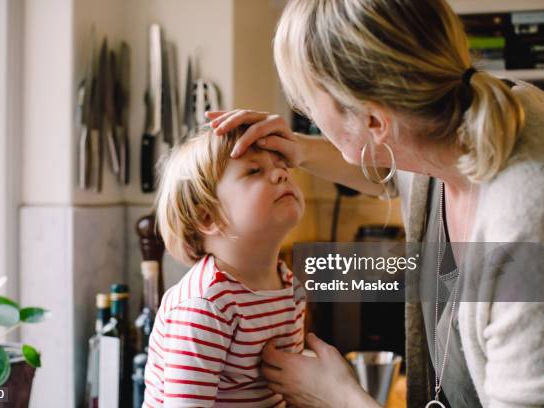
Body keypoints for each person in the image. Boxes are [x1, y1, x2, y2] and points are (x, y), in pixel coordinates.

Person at [206, 0, 544, 407]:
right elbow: (392, 169)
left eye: (310, 105)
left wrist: (339, 397)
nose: (308, 115)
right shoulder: (450, 121)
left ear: (375, 122)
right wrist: (300, 149)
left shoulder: (524, 230)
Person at [144, 126, 306, 407]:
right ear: (208, 217)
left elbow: (291, 392)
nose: (281, 174)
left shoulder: (291, 286)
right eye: (254, 171)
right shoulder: (207, 304)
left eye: (282, 168)